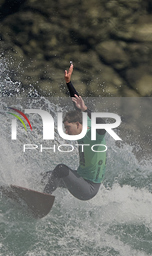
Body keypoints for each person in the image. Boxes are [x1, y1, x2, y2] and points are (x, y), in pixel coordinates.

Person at [42, 63, 107, 200]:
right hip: (79, 177)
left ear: (78, 124)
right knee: (46, 175)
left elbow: (103, 124)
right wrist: (68, 82)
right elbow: (76, 101)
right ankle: (29, 194)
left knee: (61, 169)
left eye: (68, 128)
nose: (66, 131)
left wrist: (85, 110)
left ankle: (42, 198)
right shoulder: (81, 122)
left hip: (88, 188)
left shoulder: (95, 133)